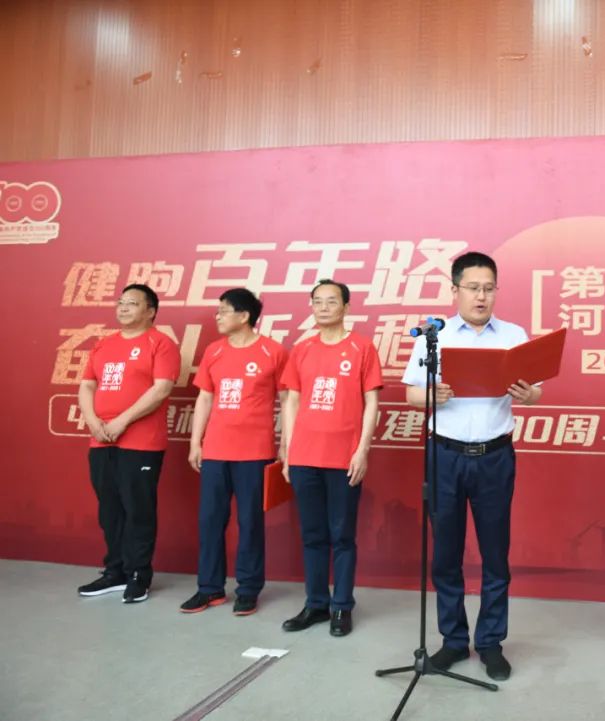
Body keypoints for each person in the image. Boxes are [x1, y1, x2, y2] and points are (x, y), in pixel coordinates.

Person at [401, 251, 540, 681]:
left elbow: (535, 391)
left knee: (496, 554)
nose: (482, 296)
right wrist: (433, 394)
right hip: (444, 456)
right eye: (473, 288)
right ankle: (454, 641)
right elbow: (411, 394)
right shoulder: (433, 337)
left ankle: (491, 643)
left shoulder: (513, 335)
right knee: (446, 554)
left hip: (494, 457)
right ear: (455, 290)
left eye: (489, 288)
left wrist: (528, 394)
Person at [279, 279, 382, 638]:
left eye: (331, 301)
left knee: (342, 535)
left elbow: (371, 402)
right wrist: (289, 450)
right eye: (317, 301)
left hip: (343, 458)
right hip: (305, 456)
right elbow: (292, 401)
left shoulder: (361, 347)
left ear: (346, 307)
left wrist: (362, 450)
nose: (323, 308)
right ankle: (316, 604)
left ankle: (342, 606)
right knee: (312, 535)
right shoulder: (302, 349)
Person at [182, 288, 288, 616]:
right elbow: (205, 398)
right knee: (210, 520)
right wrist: (195, 442)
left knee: (250, 522)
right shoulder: (214, 351)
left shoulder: (273, 351)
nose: (218, 316)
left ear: (244, 316)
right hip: (215, 450)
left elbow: (287, 400)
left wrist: (286, 443)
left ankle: (248, 589)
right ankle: (209, 588)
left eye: (224, 311)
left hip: (254, 452)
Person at [77, 283, 180, 603]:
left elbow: (161, 389)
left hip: (140, 442)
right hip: (101, 439)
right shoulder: (104, 344)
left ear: (150, 311)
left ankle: (139, 575)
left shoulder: (161, 344)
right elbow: (87, 385)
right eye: (120, 302)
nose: (122, 308)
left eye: (132, 303)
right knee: (109, 509)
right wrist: (93, 422)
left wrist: (122, 421)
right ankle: (115, 572)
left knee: (138, 510)